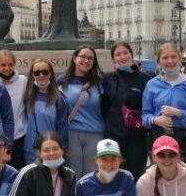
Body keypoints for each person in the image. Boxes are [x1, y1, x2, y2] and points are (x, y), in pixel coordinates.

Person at [141, 43, 186, 165]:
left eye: (173, 57)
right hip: (156, 137)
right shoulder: (152, 84)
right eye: (165, 58)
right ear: (158, 62)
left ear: (180, 59)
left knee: (181, 176)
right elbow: (145, 116)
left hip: (181, 138)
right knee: (157, 176)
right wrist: (155, 120)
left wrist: (179, 113)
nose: (170, 61)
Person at [101, 41, 150, 181]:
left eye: (125, 53)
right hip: (114, 136)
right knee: (113, 176)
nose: (122, 57)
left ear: (131, 55)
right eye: (118, 54)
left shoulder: (144, 79)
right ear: (113, 59)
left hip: (137, 138)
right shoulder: (107, 79)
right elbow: (103, 107)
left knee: (136, 177)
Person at [59, 45, 105, 177]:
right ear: (74, 58)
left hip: (95, 133)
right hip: (72, 133)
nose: (86, 60)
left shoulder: (101, 82)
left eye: (90, 58)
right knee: (73, 175)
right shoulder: (62, 82)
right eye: (83, 57)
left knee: (92, 175)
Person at [23, 58, 68, 165]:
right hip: (30, 150)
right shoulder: (27, 96)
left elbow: (62, 127)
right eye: (37, 73)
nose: (41, 75)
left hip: (51, 151)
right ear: (32, 75)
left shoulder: (58, 98)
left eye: (45, 72)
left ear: (50, 74)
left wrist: (62, 148)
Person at [0, 50, 28, 168]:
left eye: (10, 64)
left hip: (18, 136)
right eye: (3, 65)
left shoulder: (23, 81)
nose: (7, 68)